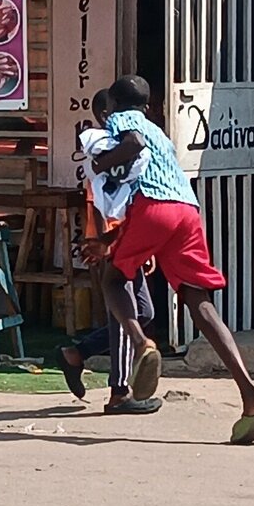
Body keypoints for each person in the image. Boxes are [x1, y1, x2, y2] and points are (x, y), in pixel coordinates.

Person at [90, 75, 254, 445]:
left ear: (113, 104)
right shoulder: (161, 131)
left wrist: (102, 164)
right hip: (187, 212)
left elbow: (133, 144)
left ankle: (141, 342)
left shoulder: (123, 121)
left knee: (112, 279)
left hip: (154, 208)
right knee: (200, 302)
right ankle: (252, 396)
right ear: (149, 105)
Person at [56, 89, 161, 414]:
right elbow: (96, 201)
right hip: (113, 242)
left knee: (143, 313)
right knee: (123, 316)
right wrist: (102, 242)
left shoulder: (122, 150)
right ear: (106, 116)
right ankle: (119, 392)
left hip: (130, 239)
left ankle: (78, 354)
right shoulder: (102, 149)